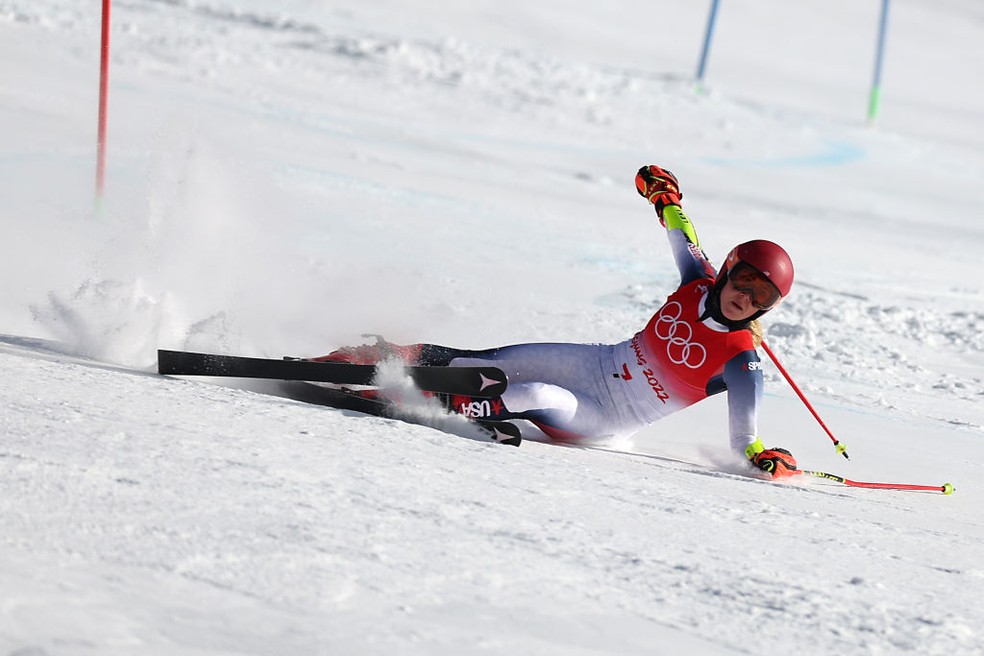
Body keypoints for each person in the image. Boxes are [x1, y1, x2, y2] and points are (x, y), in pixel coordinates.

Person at [320, 165, 799, 479]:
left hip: (605, 418)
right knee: (493, 362)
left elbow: (745, 441)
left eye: (761, 296)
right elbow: (681, 231)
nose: (744, 298)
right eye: (743, 281)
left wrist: (763, 458)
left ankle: (425, 402)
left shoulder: (743, 362)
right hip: (597, 364)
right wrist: (665, 198)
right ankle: (374, 359)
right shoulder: (698, 280)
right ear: (729, 269)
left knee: (533, 395)